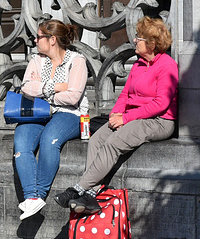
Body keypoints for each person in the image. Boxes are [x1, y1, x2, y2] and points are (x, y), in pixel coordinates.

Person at [54, 16, 178, 213]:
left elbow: (161, 104)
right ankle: (90, 197)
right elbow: (125, 95)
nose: (135, 41)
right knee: (97, 139)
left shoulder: (167, 65)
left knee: (114, 142)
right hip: (134, 116)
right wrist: (116, 115)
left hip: (159, 121)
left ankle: (78, 189)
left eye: (139, 38)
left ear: (152, 43)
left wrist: (127, 118)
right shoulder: (138, 65)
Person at [14, 19, 89, 220]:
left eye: (39, 37)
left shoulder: (77, 61)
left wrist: (42, 91)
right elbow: (26, 87)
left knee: (49, 139)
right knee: (21, 142)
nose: (35, 41)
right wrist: (55, 87)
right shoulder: (37, 60)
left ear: (52, 39)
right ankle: (32, 198)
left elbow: (73, 97)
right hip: (38, 112)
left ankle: (38, 194)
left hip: (70, 114)